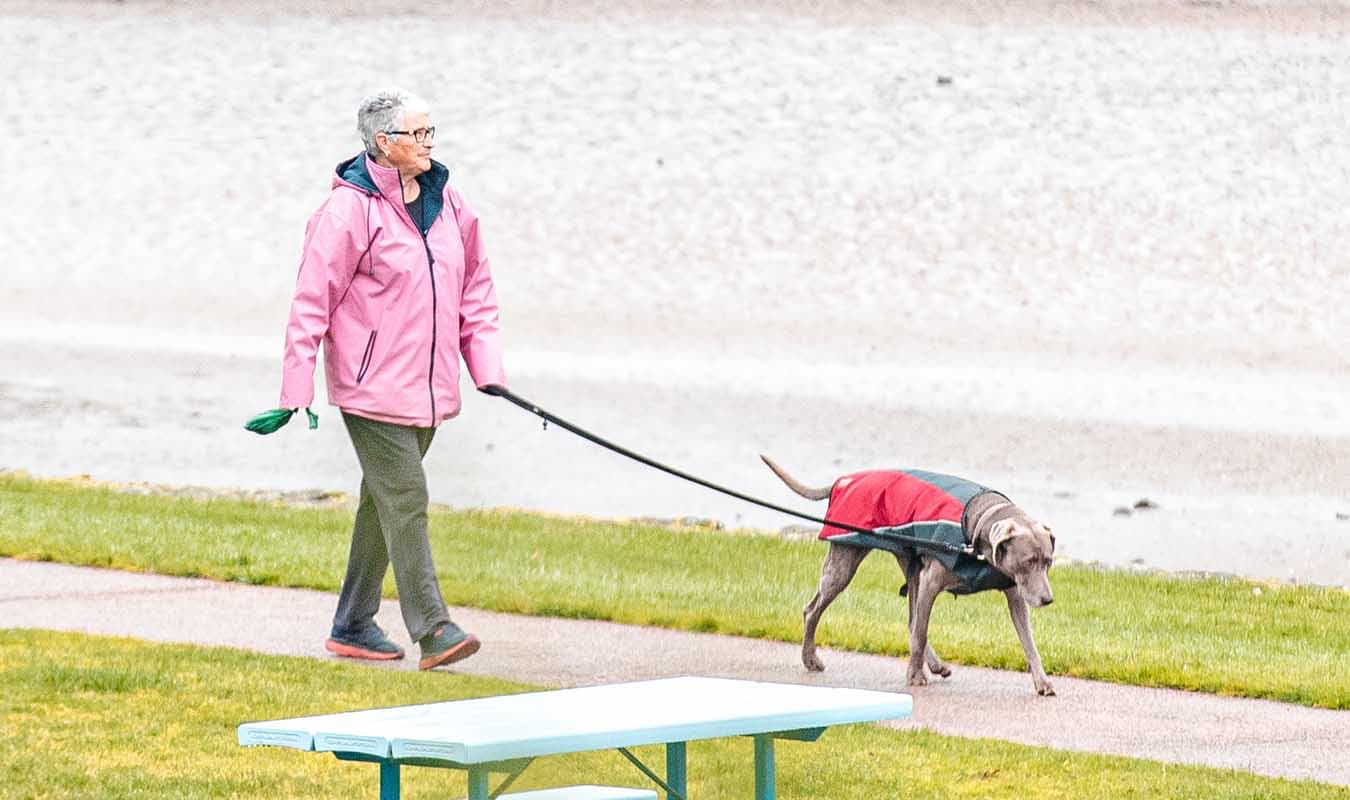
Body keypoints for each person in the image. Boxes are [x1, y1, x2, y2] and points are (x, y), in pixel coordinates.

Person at [257, 88, 506, 671]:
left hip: (430, 388)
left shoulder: (450, 203)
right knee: (407, 497)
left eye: (429, 131)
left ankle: (352, 623)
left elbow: (477, 286)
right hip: (370, 388)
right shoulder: (348, 212)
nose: (428, 142)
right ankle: (434, 628)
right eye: (418, 134)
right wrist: (296, 390)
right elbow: (311, 301)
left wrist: (486, 368)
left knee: (384, 501)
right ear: (384, 143)